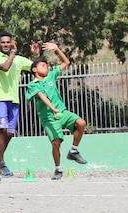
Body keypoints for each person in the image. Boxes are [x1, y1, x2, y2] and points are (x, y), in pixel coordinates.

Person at [25, 41, 88, 179]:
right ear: (35, 70)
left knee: (81, 123)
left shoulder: (51, 76)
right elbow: (42, 97)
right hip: (49, 117)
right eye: (43, 66)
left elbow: (66, 62)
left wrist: (57, 49)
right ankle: (58, 169)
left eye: (47, 66)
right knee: (56, 142)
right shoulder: (32, 85)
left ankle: (73, 150)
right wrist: (53, 110)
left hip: (62, 112)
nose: (46, 68)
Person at [0, 31, 38, 180]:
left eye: (8, 42)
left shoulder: (19, 59)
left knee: (9, 133)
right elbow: (5, 67)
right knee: (2, 129)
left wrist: (35, 55)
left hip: (14, 100)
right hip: (0, 98)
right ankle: (1, 163)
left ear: (12, 42)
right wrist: (13, 53)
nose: (6, 45)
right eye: (3, 43)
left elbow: (35, 67)